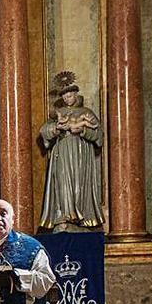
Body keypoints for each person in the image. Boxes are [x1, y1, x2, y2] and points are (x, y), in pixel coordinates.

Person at [39, 71, 104, 231]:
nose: (68, 98)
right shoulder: (58, 114)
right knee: (62, 183)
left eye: (70, 95)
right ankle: (63, 217)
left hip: (81, 154)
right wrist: (56, 128)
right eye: (65, 96)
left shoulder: (86, 112)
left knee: (79, 185)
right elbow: (44, 131)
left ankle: (82, 217)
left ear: (75, 94)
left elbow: (98, 135)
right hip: (62, 153)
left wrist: (81, 131)